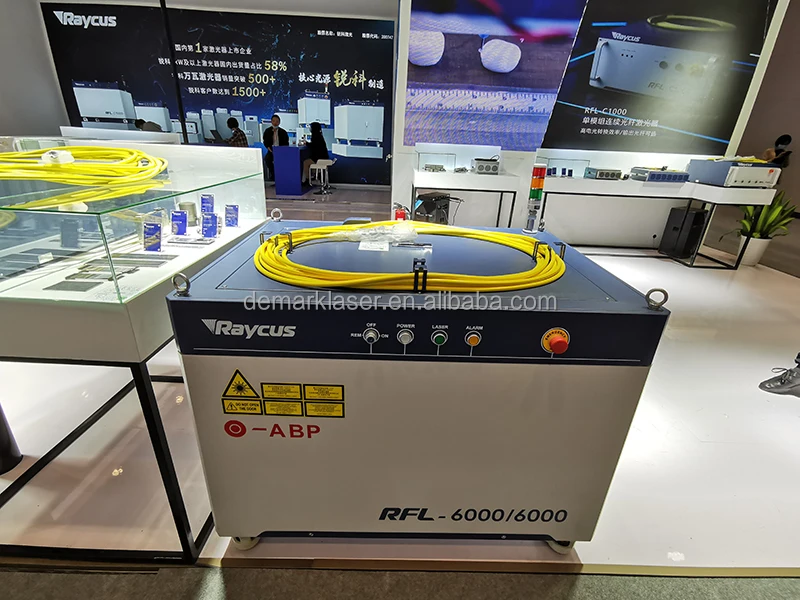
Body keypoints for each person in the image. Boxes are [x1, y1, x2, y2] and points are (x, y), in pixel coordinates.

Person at [263, 114, 289, 180]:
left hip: (281, 151)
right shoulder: (268, 131)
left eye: (277, 121)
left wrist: (282, 150)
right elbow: (265, 141)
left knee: (282, 161)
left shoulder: (283, 132)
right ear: (271, 121)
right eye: (274, 121)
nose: (275, 123)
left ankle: (281, 175)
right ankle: (273, 174)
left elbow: (286, 143)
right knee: (267, 159)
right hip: (271, 150)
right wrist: (269, 149)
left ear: (279, 122)